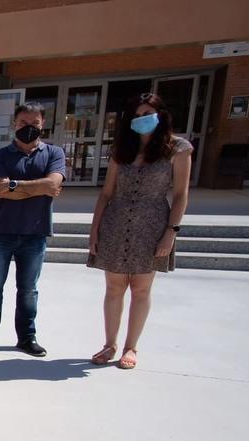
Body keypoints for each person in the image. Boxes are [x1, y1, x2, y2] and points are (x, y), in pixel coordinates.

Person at [87, 93, 192, 370]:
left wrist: (171, 231)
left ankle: (130, 347)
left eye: (147, 112)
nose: (141, 118)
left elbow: (181, 195)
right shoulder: (122, 150)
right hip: (117, 223)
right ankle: (109, 344)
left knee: (141, 289)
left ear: (160, 115)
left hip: (152, 225)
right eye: (136, 114)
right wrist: (94, 230)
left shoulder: (177, 149)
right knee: (114, 286)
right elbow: (106, 193)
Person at [0, 102, 66, 356]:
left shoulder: (54, 154)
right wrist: (37, 187)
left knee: (28, 290)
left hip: (35, 233)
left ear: (42, 124)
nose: (29, 128)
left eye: (34, 124)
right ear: (15, 124)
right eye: (24, 123)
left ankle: (26, 338)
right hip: (0, 231)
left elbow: (54, 185)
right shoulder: (0, 155)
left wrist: (14, 186)